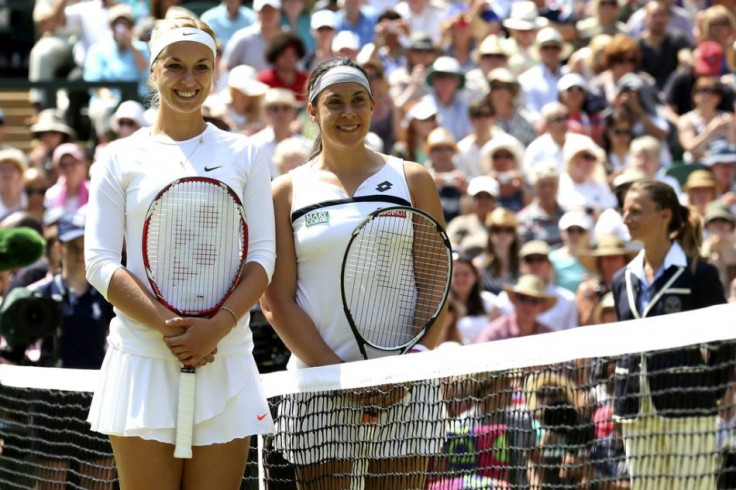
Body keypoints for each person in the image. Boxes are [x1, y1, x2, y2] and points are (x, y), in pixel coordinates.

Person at [84, 17, 276, 490]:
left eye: (201, 67)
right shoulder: (117, 157)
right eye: (175, 66)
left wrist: (216, 328)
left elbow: (263, 256)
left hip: (224, 353)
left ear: (215, 73)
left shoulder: (246, 154)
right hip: (143, 356)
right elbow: (100, 262)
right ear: (154, 72)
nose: (188, 80)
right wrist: (173, 329)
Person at [260, 57, 447, 489]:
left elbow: (437, 279)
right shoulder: (286, 191)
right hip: (319, 382)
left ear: (372, 105)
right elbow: (276, 300)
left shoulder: (413, 179)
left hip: (405, 383)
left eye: (358, 101)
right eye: (335, 102)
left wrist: (409, 367)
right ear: (312, 110)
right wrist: (339, 379)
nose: (348, 113)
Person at [612, 179, 734, 490]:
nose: (627, 219)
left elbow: (722, 344)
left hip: (688, 405)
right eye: (625, 212)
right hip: (635, 409)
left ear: (665, 215)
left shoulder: (700, 275)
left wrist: (711, 391)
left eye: (636, 212)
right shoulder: (621, 279)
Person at [475, 273, 557, 342]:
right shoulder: (494, 332)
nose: (528, 305)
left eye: (535, 301)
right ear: (514, 300)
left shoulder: (550, 336)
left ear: (542, 306)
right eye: (523, 298)